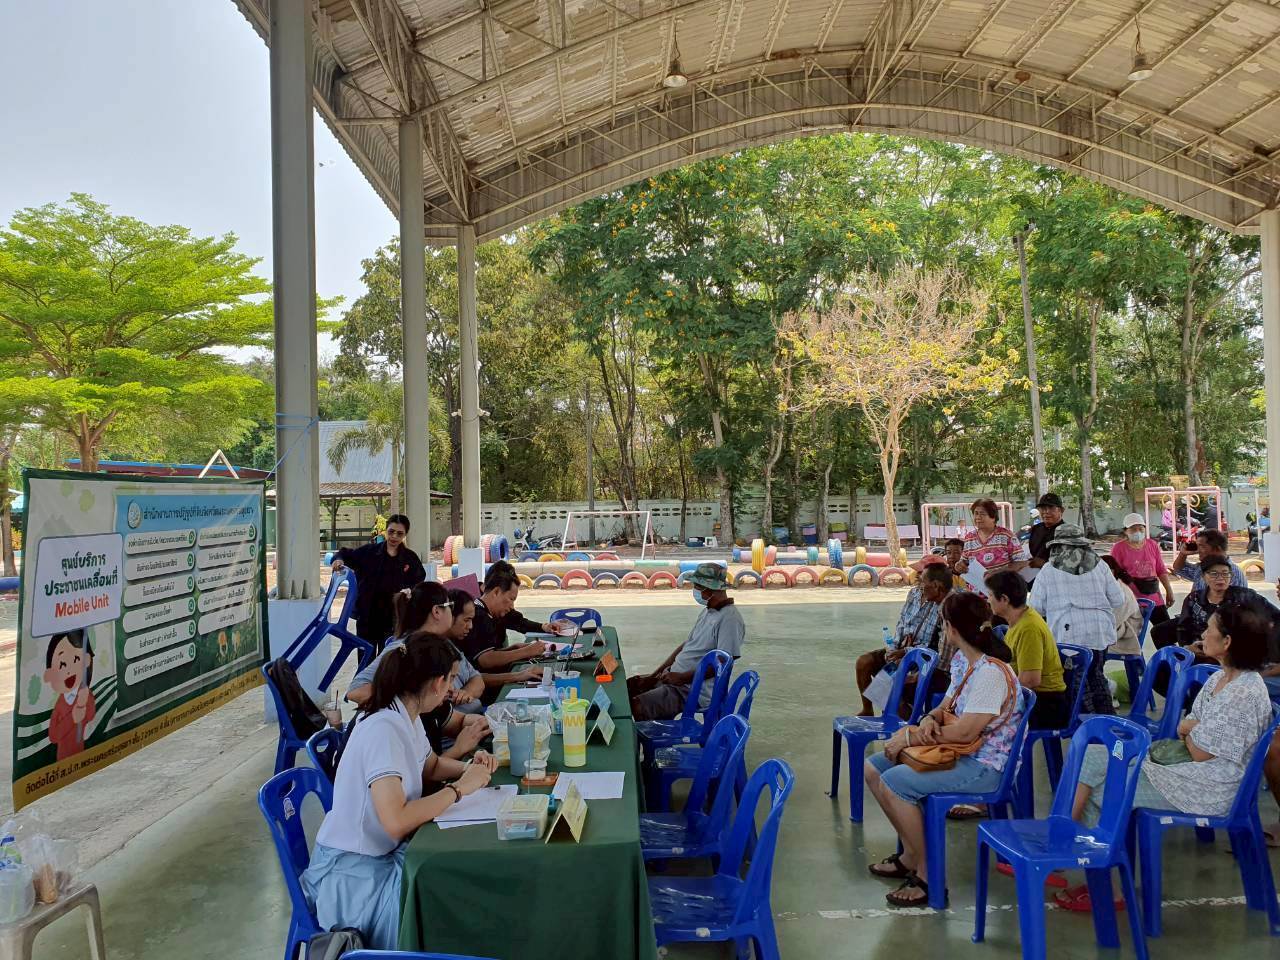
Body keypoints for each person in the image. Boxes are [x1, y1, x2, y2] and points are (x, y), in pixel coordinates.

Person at [1054, 598, 1275, 911]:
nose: (1203, 633)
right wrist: (1192, 728)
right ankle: (1066, 843)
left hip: (1210, 786)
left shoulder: (1244, 692)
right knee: (1096, 757)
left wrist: (1190, 729)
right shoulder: (1218, 678)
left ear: (1227, 642)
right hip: (1188, 767)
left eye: (1210, 629)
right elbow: (1190, 731)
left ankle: (1086, 869)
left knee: (1105, 790)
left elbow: (1200, 752)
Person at [301, 637, 497, 948]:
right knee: (441, 901)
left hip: (380, 853)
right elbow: (395, 821)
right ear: (435, 683)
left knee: (449, 876)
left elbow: (430, 767)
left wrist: (471, 768)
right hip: (352, 873)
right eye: (449, 679)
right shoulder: (383, 729)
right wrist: (460, 790)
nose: (451, 689)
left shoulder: (406, 715)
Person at [864, 592, 1022, 908]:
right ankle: (910, 855)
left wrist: (910, 739)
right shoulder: (966, 662)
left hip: (984, 765)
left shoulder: (991, 673)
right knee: (874, 768)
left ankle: (929, 877)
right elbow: (948, 704)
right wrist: (929, 718)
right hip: (957, 751)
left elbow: (966, 732)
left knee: (896, 783)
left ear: (950, 629)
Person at [346, 583, 491, 759]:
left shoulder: (442, 645)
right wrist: (416, 690)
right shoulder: (404, 650)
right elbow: (355, 691)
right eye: (450, 607)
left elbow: (473, 683)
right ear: (437, 611)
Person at [1029, 524, 1128, 715]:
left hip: (1068, 637)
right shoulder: (1101, 565)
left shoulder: (1049, 570)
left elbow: (1036, 607)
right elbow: (1118, 599)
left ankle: (1084, 726)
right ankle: (1107, 721)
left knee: (1076, 683)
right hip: (1099, 631)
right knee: (1096, 676)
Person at [628, 563, 745, 721]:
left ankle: (646, 738)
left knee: (637, 705)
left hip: (693, 689)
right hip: (675, 679)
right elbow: (686, 646)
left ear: (710, 588)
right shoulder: (708, 612)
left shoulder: (729, 619)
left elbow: (723, 663)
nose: (695, 590)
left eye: (697, 586)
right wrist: (654, 675)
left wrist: (682, 678)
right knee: (630, 687)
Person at [455, 561, 565, 703]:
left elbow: (518, 622)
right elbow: (485, 660)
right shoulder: (478, 617)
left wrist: (512, 649)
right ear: (496, 592)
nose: (512, 605)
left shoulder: (492, 612)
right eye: (511, 599)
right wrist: (526, 652)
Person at [854, 565, 953, 716]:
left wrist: (910, 661)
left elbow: (942, 660)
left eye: (922, 579)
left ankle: (910, 723)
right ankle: (882, 714)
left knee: (889, 684)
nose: (919, 582)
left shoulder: (947, 608)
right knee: (867, 663)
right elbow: (902, 622)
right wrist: (894, 648)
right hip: (912, 652)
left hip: (931, 665)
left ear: (935, 585)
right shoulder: (916, 594)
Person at [330, 514, 426, 654]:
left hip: (393, 620)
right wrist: (338, 560)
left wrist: (410, 591)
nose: (394, 537)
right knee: (365, 662)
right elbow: (344, 554)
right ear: (386, 530)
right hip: (367, 617)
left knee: (386, 663)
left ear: (405, 535)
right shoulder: (369, 552)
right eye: (391, 532)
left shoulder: (410, 558)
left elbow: (419, 579)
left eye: (399, 534)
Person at [986, 570, 1069, 730]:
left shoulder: (1028, 627)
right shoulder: (1017, 620)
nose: (988, 601)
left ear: (1004, 599)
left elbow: (1030, 680)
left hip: (1043, 703)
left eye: (990, 596)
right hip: (1029, 696)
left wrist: (995, 694)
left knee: (980, 720)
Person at [1108, 513, 1175, 626]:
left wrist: (1169, 591)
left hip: (1154, 597)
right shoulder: (1119, 548)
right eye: (1133, 529)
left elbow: (1161, 570)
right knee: (1132, 636)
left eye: (1140, 528)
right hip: (1131, 599)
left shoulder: (1152, 545)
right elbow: (1114, 574)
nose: (1137, 532)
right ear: (1126, 531)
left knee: (1165, 632)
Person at [955, 499, 1028, 577]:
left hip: (1002, 586)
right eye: (976, 513)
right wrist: (959, 565)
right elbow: (965, 561)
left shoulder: (1006, 535)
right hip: (976, 587)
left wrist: (998, 572)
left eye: (982, 514)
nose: (978, 517)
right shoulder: (969, 538)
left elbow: (1021, 562)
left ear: (993, 517)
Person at [443, 588, 487, 715]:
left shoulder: (449, 644)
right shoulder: (430, 651)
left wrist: (466, 692)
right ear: (449, 615)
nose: (470, 626)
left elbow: (477, 679)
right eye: (466, 620)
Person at [1171, 527, 1247, 590]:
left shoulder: (1233, 573)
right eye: (1197, 546)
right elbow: (1178, 569)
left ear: (1217, 548)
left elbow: (1237, 605)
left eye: (1202, 546)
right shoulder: (1202, 568)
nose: (1198, 550)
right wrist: (1183, 554)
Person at [1100, 556, 1145, 656]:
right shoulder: (1108, 587)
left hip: (1127, 631)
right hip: (1116, 626)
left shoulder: (1120, 592)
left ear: (1111, 571)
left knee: (1085, 641)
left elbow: (1113, 621)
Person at [1026, 492, 1066, 575]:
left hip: (1057, 577)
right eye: (1043, 508)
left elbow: (1072, 562)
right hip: (1034, 576)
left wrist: (1045, 564)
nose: (1046, 512)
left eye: (1051, 508)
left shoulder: (1068, 532)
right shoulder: (1036, 529)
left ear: (1061, 510)